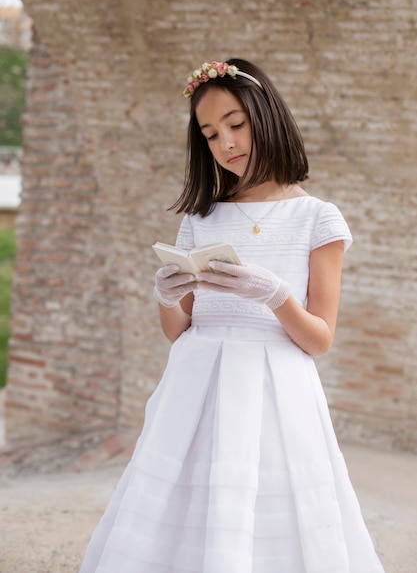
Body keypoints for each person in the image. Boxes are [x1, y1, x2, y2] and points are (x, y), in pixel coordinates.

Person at [79, 59, 385, 572]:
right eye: (210, 133)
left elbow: (320, 339)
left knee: (266, 517)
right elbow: (180, 331)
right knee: (183, 514)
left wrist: (275, 295)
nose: (226, 143)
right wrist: (166, 294)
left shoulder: (317, 217)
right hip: (195, 386)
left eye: (236, 124)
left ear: (266, 115)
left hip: (274, 390)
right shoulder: (201, 217)